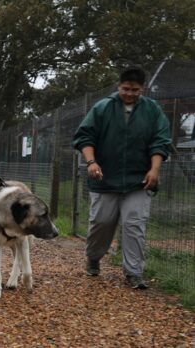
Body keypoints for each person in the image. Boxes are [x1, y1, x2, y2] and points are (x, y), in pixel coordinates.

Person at [72, 65, 171, 290]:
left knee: (134, 225)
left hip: (138, 180)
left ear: (142, 89)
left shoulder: (152, 110)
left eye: (135, 90)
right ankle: (94, 257)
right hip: (104, 178)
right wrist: (91, 162)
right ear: (119, 86)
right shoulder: (103, 108)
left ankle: (134, 273)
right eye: (126, 88)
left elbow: (160, 141)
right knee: (102, 222)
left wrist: (154, 170)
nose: (130, 93)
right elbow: (85, 136)